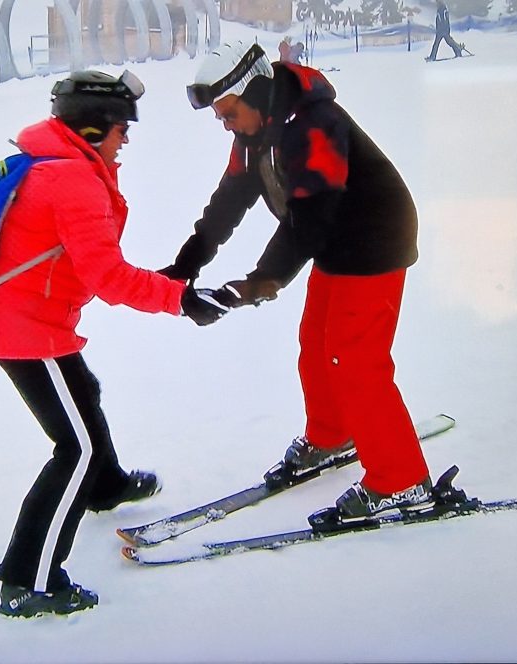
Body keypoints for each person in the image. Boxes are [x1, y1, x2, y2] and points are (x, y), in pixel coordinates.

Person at [0, 70, 227, 618]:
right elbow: (108, 276)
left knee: (83, 391)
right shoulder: (72, 180)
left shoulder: (54, 163)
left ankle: (105, 487)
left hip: (28, 320)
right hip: (27, 330)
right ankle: (29, 580)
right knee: (74, 447)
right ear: (89, 132)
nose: (126, 138)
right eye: (118, 128)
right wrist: (180, 298)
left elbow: (90, 266)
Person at [165, 41, 434, 523]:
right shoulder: (255, 131)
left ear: (256, 90)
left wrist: (260, 281)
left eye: (228, 113)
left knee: (356, 359)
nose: (226, 124)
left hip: (375, 237)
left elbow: (308, 220)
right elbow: (230, 200)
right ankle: (333, 435)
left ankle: (402, 481)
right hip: (334, 239)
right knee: (316, 342)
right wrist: (187, 264)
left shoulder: (314, 125)